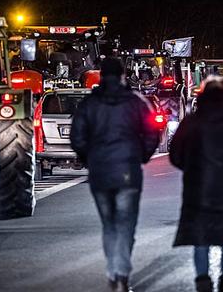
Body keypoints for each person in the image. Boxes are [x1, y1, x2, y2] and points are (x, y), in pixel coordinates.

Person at [70, 57, 160, 292]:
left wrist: (90, 158)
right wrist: (141, 156)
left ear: (101, 76)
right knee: (126, 225)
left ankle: (113, 272)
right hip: (128, 171)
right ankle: (122, 274)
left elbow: (77, 137)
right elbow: (153, 135)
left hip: (100, 172)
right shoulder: (136, 102)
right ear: (123, 75)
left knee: (109, 224)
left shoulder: (88, 104)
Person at [170, 77, 223, 292]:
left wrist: (192, 168)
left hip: (198, 192)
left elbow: (175, 155)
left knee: (201, 241)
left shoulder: (191, 123)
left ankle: (203, 284)